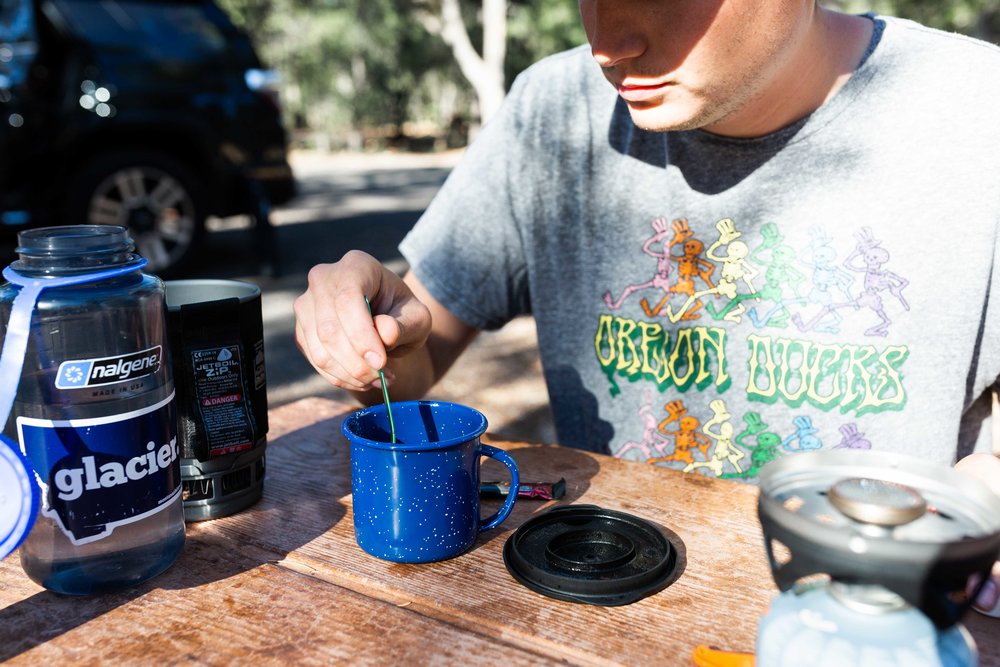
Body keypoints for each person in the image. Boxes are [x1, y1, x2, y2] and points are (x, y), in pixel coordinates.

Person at [294, 0, 1000, 611]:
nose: (609, 42)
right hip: (595, 604)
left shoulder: (976, 116)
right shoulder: (553, 109)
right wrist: (376, 336)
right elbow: (412, 375)